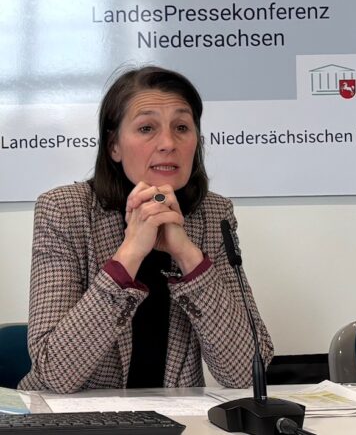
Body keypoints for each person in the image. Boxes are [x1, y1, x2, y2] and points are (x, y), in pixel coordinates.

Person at [19, 66, 273, 393]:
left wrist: (188, 255)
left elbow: (245, 374)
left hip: (177, 419)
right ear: (114, 146)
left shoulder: (213, 214)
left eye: (182, 127)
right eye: (147, 128)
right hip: (73, 419)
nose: (168, 142)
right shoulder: (65, 210)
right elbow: (54, 372)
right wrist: (129, 255)